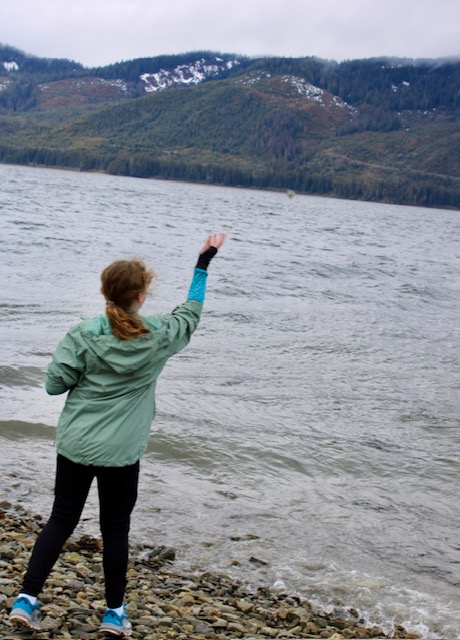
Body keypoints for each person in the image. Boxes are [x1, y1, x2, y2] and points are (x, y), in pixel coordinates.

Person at [9, 233, 226, 637]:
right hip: (122, 452)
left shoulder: (83, 333)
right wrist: (203, 265)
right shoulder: (159, 335)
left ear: (105, 291)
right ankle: (113, 614)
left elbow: (55, 385)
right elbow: (191, 311)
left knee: (61, 519)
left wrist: (82, 373)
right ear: (141, 295)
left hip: (76, 442)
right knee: (115, 528)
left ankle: (26, 599)